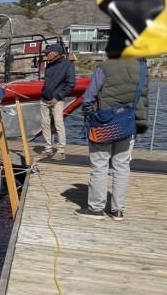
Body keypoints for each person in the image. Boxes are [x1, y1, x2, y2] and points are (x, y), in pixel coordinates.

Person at [75, 57, 149, 221]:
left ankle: (96, 209)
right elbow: (143, 100)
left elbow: (88, 98)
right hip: (128, 124)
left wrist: (89, 114)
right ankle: (118, 211)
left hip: (103, 123)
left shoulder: (104, 67)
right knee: (122, 166)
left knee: (100, 165)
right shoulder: (142, 68)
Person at [38, 43, 76, 160]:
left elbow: (71, 84)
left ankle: (61, 151)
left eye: (48, 53)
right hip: (44, 98)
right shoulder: (49, 65)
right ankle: (48, 148)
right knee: (45, 124)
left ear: (55, 53)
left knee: (59, 124)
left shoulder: (68, 65)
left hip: (57, 100)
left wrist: (58, 97)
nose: (46, 55)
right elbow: (47, 82)